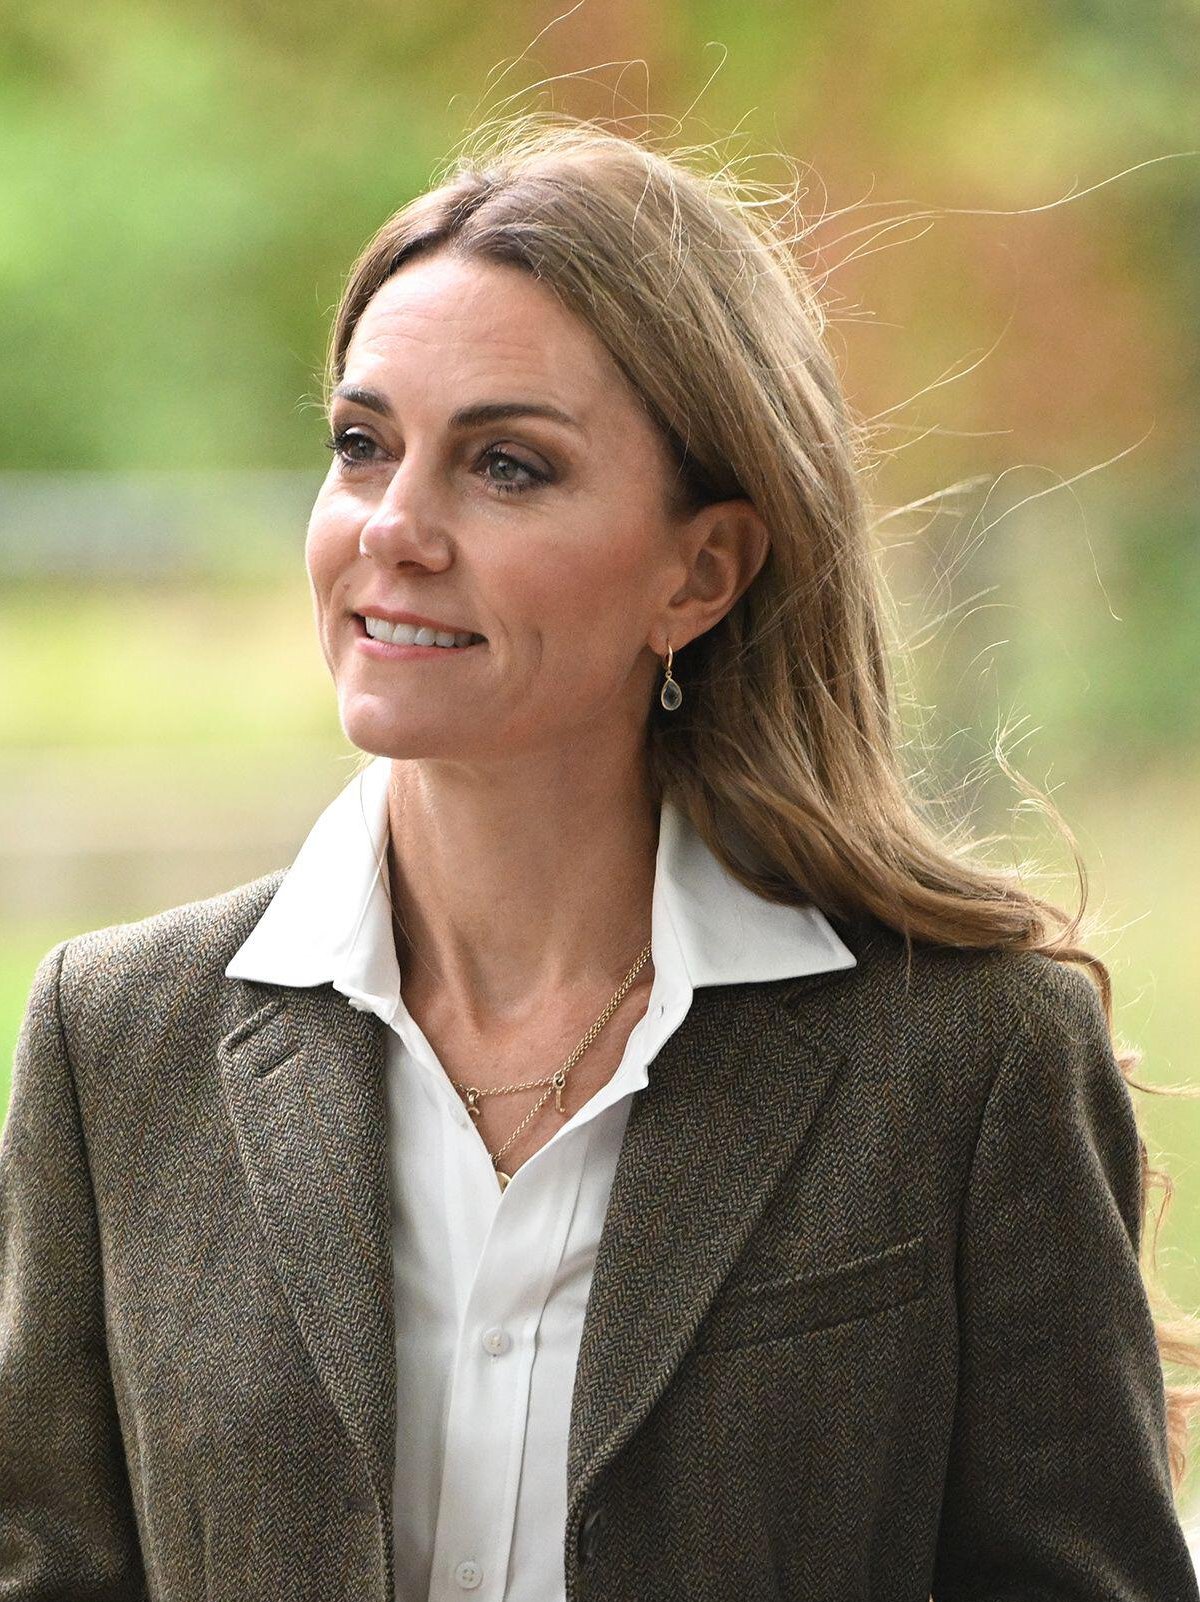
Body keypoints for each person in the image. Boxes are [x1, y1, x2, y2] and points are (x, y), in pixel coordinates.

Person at [2, 113, 1198, 1602]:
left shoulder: (971, 1056)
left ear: (700, 570)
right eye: (363, 445)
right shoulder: (114, 1042)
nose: (395, 528)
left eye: (507, 467)